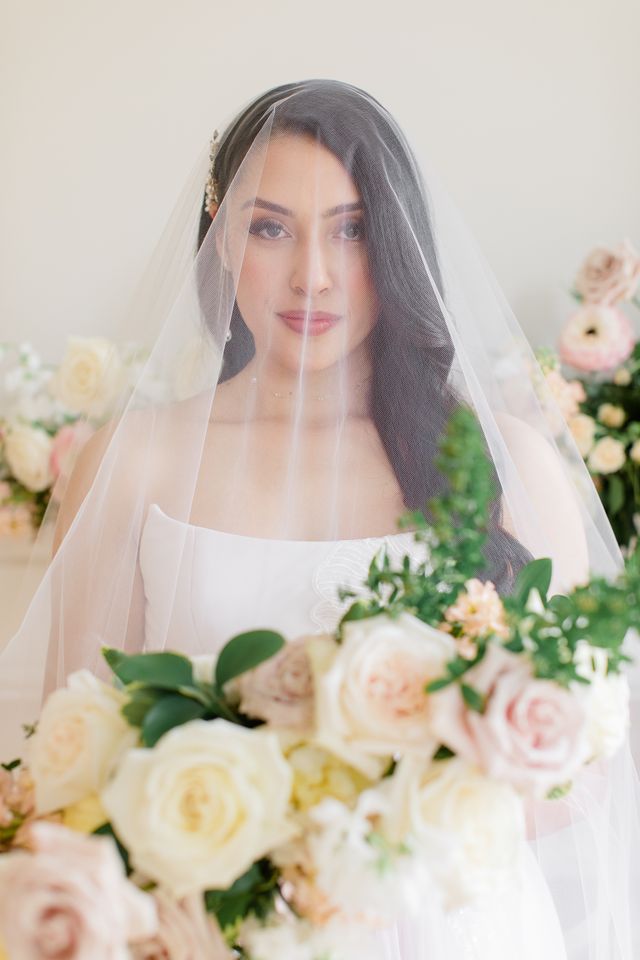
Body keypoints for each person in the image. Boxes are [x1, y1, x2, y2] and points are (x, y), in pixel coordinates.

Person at [1, 79, 638, 957]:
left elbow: (580, 775)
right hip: (218, 933)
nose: (314, 273)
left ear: (400, 243)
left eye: (353, 228)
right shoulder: (134, 462)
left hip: (459, 927)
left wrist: (378, 790)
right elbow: (71, 758)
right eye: (270, 228)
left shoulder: (507, 466)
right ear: (221, 239)